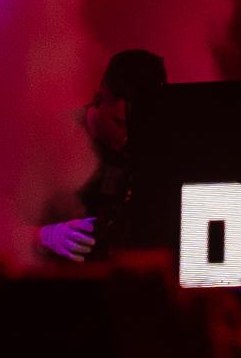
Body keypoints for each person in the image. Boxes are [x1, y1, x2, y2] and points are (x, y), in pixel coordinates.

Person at [38, 49, 169, 262]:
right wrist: (44, 236)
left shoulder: (147, 148)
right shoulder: (52, 138)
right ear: (99, 98)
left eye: (138, 126)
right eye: (119, 123)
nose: (127, 137)